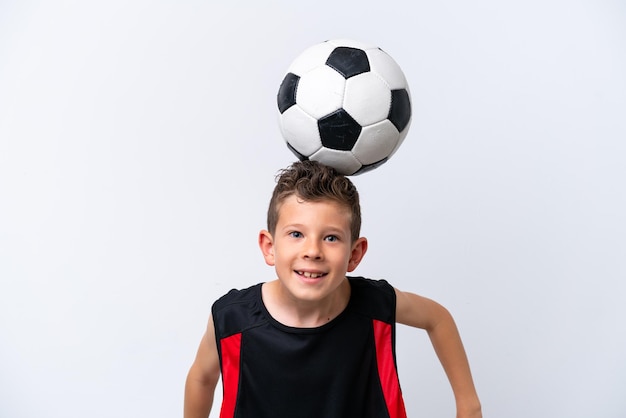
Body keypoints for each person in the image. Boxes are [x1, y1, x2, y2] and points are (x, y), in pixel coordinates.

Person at [184, 160, 482, 418]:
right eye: (297, 234)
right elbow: (201, 377)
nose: (312, 251)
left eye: (331, 238)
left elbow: (437, 318)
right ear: (269, 246)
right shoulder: (232, 319)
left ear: (355, 254)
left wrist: (469, 407)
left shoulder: (374, 306)